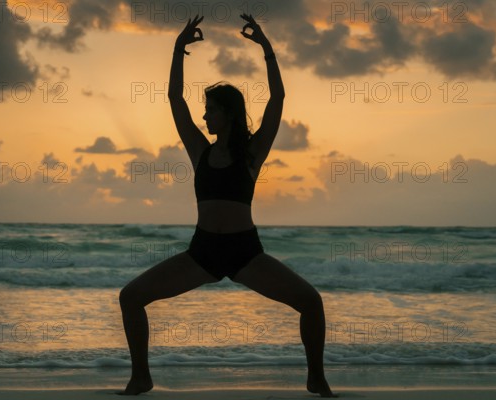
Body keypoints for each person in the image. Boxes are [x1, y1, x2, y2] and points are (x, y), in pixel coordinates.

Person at [118, 14, 336, 397]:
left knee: (311, 302)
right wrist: (177, 50)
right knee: (131, 296)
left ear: (229, 114)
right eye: (205, 110)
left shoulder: (252, 154)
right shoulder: (199, 150)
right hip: (202, 250)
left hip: (244, 252)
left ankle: (316, 377)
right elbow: (174, 99)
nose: (204, 116)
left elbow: (278, 99)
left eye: (211, 110)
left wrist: (267, 49)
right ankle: (141, 377)